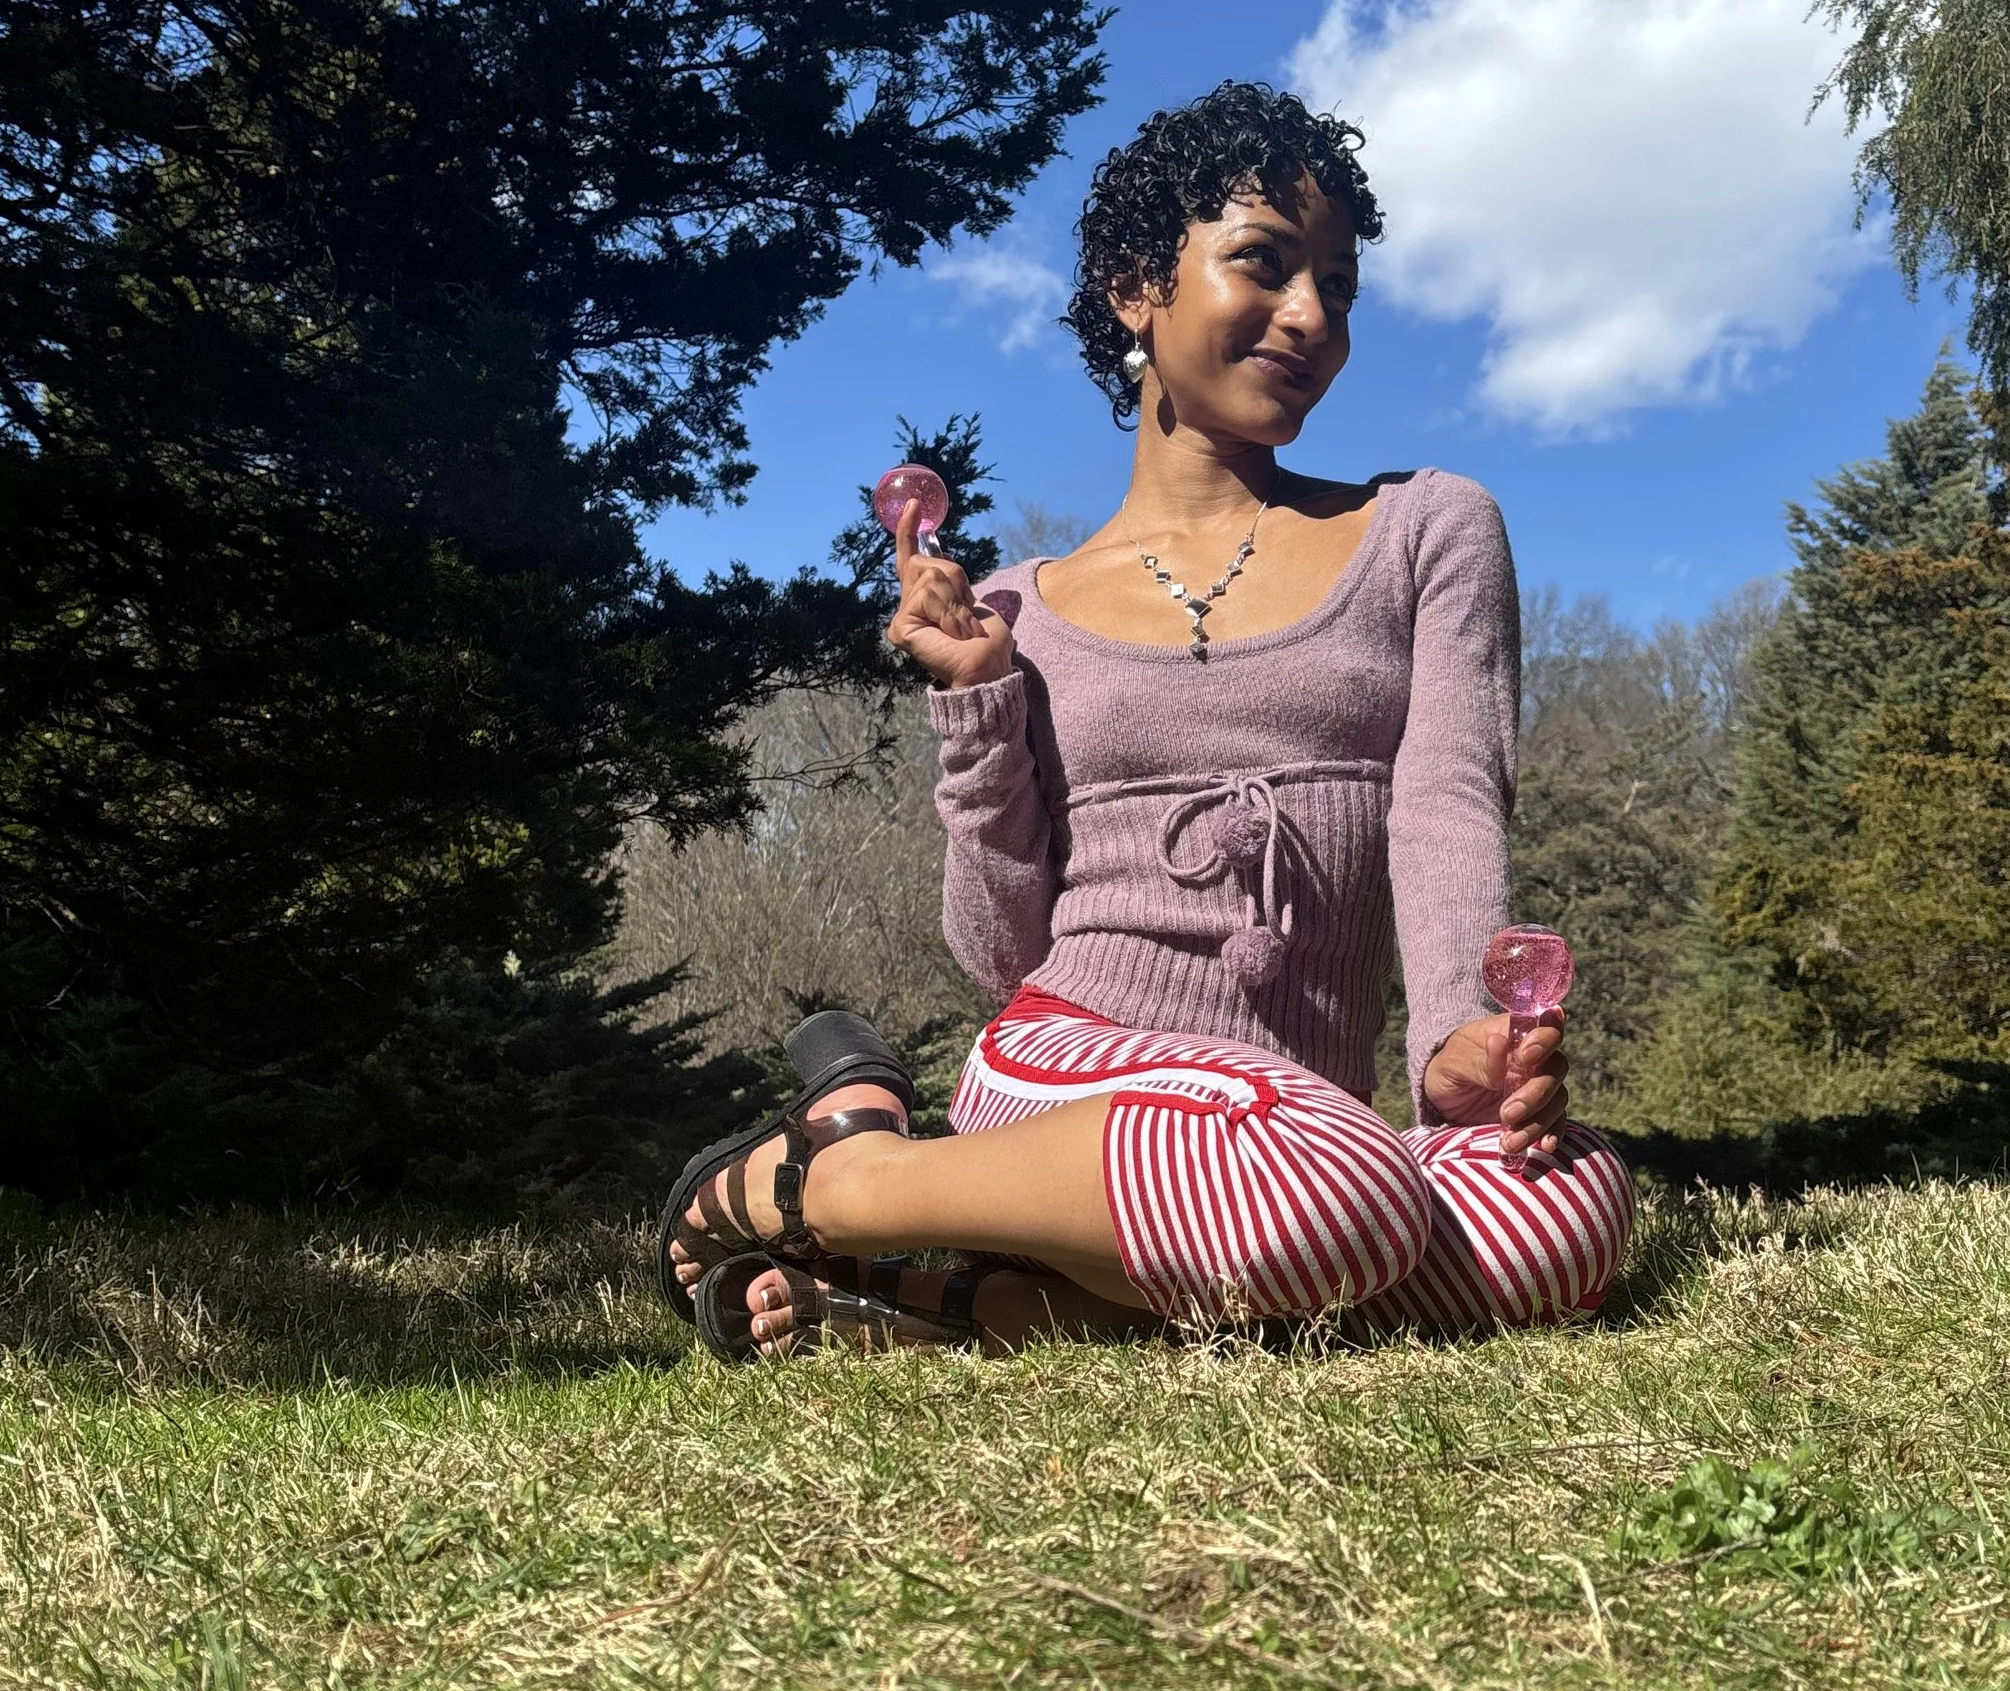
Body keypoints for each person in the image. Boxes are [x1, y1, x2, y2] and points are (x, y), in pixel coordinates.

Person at [656, 80, 1634, 1357]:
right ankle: (833, 1180)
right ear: (1135, 286)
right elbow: (1001, 953)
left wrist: (1458, 1034)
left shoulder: (1426, 529)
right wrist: (976, 704)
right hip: (1073, 1065)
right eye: (1263, 264)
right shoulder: (1020, 606)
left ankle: (947, 1307)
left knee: (1556, 1211)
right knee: (1343, 1188)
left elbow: (1450, 800)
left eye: (1338, 287)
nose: (1312, 316)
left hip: (1290, 1137)